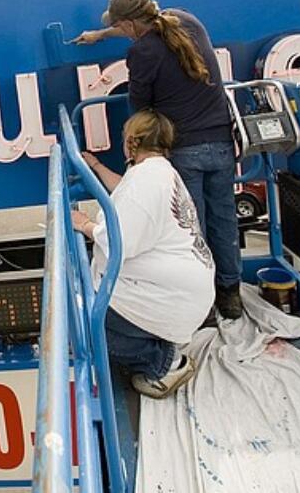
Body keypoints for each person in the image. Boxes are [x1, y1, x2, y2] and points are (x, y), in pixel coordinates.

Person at [73, 0, 243, 319]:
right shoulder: (185, 20)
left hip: (184, 149)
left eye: (120, 27)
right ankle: (231, 295)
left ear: (130, 25)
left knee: (193, 230)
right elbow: (147, 26)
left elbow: (141, 106)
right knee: (224, 220)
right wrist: (101, 35)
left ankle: (204, 306)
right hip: (223, 142)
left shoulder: (142, 53)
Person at [71, 109, 215, 397]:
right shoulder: (159, 171)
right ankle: (159, 344)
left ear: (130, 142)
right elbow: (125, 191)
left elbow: (119, 243)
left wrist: (84, 224)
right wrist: (97, 166)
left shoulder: (146, 182)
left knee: (79, 324)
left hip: (169, 299)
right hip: (183, 293)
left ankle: (162, 362)